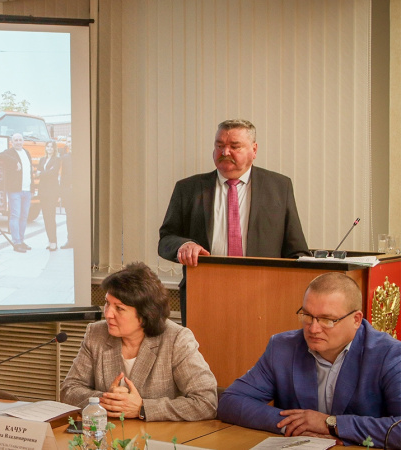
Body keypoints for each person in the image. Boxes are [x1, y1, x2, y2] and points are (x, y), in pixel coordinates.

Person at [218, 273, 401, 447]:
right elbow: (231, 401)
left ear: (356, 319)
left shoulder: (388, 354)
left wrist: (331, 424)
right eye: (307, 316)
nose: (313, 329)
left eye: (327, 319)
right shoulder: (282, 347)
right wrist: (297, 425)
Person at [158, 119, 309, 325]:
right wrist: (184, 245)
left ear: (254, 150)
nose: (225, 152)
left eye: (234, 146)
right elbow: (166, 239)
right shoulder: (189, 189)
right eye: (219, 145)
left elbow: (296, 250)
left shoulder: (279, 187)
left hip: (264, 298)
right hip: (204, 296)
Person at [60, 263, 218, 421]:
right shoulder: (96, 334)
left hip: (160, 439)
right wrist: (107, 400)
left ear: (146, 314)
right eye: (107, 303)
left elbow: (206, 401)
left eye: (119, 308)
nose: (107, 314)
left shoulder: (176, 339)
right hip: (109, 435)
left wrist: (142, 408)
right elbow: (69, 390)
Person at [0, 133, 33, 253]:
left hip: (27, 190)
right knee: (15, 216)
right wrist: (14, 162)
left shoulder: (27, 153)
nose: (18, 142)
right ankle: (16, 242)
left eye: (20, 140)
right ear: (12, 142)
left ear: (23, 141)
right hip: (15, 191)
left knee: (24, 217)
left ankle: (21, 240)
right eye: (16, 140)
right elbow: (0, 155)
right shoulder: (9, 153)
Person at [37, 141, 61, 251]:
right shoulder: (42, 160)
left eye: (52, 147)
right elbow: (40, 171)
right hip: (43, 192)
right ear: (45, 148)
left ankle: (54, 242)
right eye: (48, 146)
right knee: (46, 218)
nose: (49, 148)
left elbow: (53, 173)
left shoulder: (57, 160)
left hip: (52, 192)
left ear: (54, 148)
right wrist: (45, 172)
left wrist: (42, 173)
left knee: (51, 217)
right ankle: (50, 240)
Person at [59, 136, 74, 249]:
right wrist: (62, 193)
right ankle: (71, 240)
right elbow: (62, 176)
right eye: (69, 142)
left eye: (72, 141)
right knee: (70, 217)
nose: (71, 143)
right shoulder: (64, 158)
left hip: (81, 192)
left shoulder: (84, 156)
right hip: (68, 192)